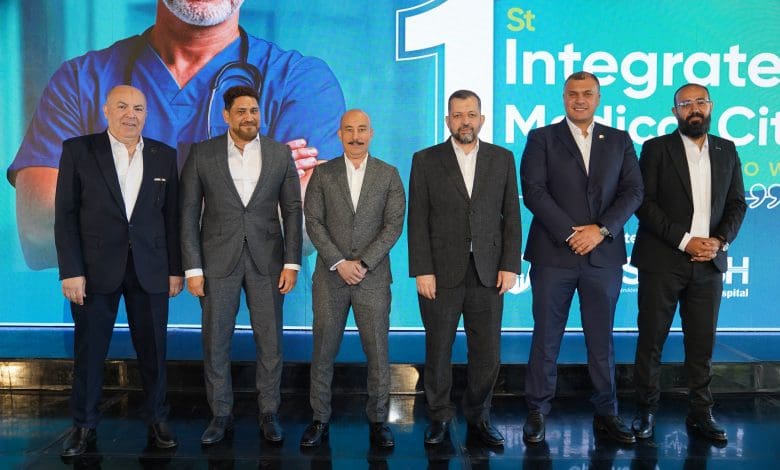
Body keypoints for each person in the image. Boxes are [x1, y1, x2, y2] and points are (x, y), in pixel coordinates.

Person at [9, 0, 344, 270]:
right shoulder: (80, 81)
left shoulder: (300, 82)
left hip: (254, 328)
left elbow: (309, 220)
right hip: (113, 328)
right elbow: (39, 231)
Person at [54, 85, 182, 457]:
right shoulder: (79, 150)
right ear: (106, 110)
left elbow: (171, 218)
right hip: (94, 271)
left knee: (154, 351)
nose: (131, 115)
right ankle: (84, 426)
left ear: (147, 114)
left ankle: (157, 420)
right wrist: (71, 270)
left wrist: (175, 270)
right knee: (90, 352)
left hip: (151, 269)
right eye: (123, 106)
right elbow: (65, 215)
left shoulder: (163, 155)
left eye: (139, 108)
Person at [519, 71, 643, 445]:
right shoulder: (541, 138)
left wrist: (600, 230)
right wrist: (572, 233)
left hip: (603, 257)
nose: (580, 99)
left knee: (602, 340)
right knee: (546, 337)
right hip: (553, 254)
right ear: (563, 97)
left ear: (598, 98)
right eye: (573, 93)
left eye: (587, 93)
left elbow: (634, 191)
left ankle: (607, 412)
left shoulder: (619, 140)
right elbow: (534, 191)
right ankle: (537, 411)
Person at [179, 85, 302, 445]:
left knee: (270, 341)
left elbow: (292, 210)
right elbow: (187, 213)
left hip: (269, 261)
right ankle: (220, 414)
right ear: (226, 116)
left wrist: (292, 263)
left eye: (254, 111)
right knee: (216, 341)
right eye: (242, 111)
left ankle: (269, 412)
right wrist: (193, 269)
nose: (249, 117)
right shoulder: (202, 153)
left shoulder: (279, 153)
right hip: (216, 262)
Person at [631, 83, 746, 443]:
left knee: (702, 343)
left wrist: (718, 242)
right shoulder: (655, 148)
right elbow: (644, 204)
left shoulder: (727, 150)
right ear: (674, 111)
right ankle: (646, 410)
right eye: (685, 104)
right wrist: (685, 241)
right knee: (651, 340)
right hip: (662, 261)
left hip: (709, 263)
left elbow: (737, 203)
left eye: (700, 102)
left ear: (710, 106)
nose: (694, 108)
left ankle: (700, 412)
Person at [408, 89, 522, 448]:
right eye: (457, 115)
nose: (465, 121)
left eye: (471, 114)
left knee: (487, 353)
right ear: (447, 121)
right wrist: (422, 270)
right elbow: (417, 219)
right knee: (438, 349)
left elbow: (511, 216)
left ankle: (479, 415)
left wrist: (510, 265)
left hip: (488, 272)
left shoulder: (502, 159)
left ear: (482, 119)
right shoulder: (425, 160)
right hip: (440, 273)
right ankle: (439, 416)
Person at [299, 109, 405, 449]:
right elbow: (313, 221)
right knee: (323, 351)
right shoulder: (322, 173)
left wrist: (364, 262)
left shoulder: (388, 174)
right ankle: (319, 418)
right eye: (349, 129)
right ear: (339, 134)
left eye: (361, 130)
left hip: (372, 279)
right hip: (331, 278)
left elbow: (393, 225)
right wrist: (339, 262)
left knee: (378, 353)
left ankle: (378, 421)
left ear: (371, 133)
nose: (355, 136)